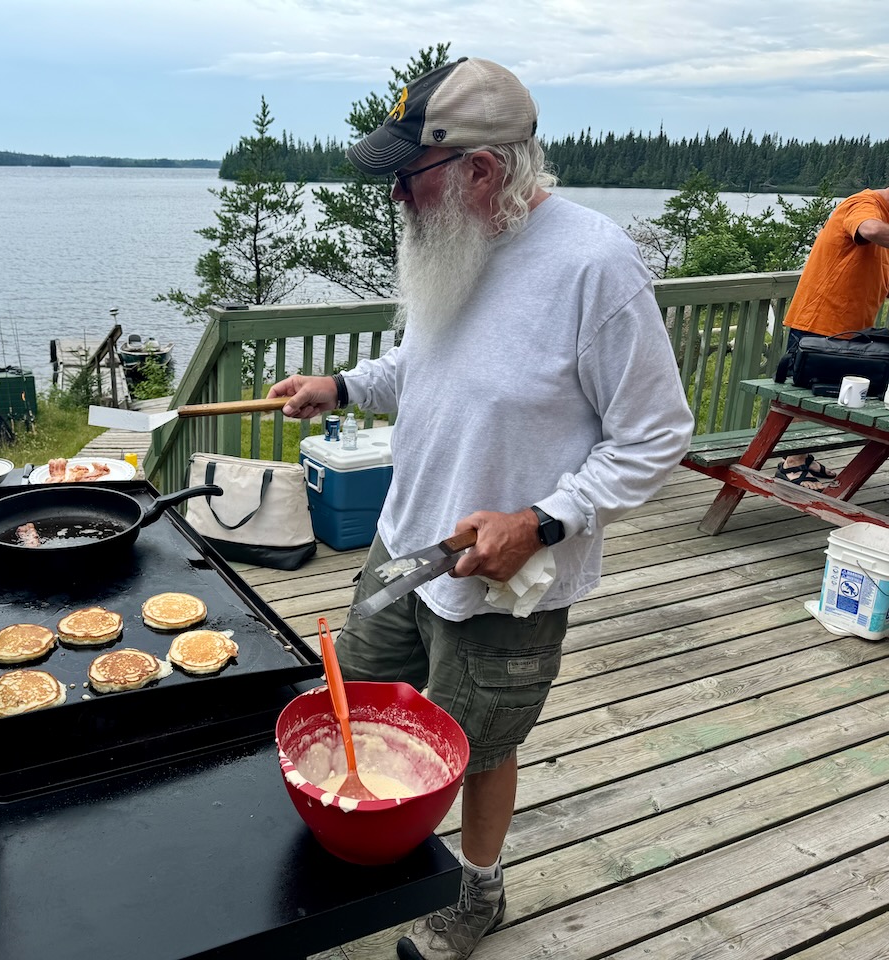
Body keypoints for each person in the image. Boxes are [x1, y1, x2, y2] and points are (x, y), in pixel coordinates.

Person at [267, 56, 694, 960]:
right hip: (403, 543)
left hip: (508, 583)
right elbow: (423, 368)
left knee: (478, 745)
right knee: (352, 702)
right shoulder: (453, 243)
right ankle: (363, 848)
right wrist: (342, 386)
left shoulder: (594, 266)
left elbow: (656, 436)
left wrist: (539, 521)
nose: (395, 198)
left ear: (482, 170)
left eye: (407, 177)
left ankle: (478, 891)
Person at [775, 187, 889, 489]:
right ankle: (791, 463)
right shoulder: (863, 204)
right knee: (803, 396)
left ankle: (802, 456)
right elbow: (870, 229)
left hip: (852, 335)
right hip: (818, 325)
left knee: (825, 396)